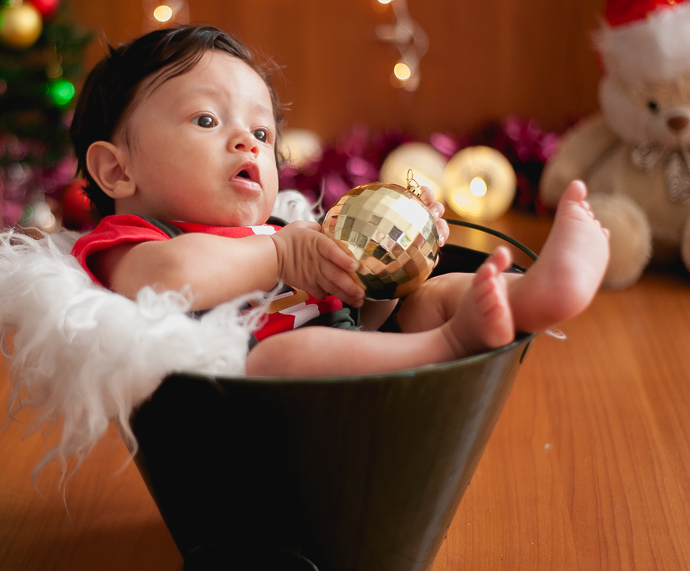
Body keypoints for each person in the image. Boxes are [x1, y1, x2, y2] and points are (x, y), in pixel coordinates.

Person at [69, 25, 611, 377]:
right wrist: (281, 256)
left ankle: (538, 294)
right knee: (284, 356)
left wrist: (393, 264)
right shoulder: (134, 240)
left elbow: (360, 317)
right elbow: (161, 279)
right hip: (260, 402)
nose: (247, 143)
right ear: (118, 171)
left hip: (362, 359)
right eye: (207, 120)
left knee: (438, 294)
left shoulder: (280, 229)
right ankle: (445, 348)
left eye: (262, 134)